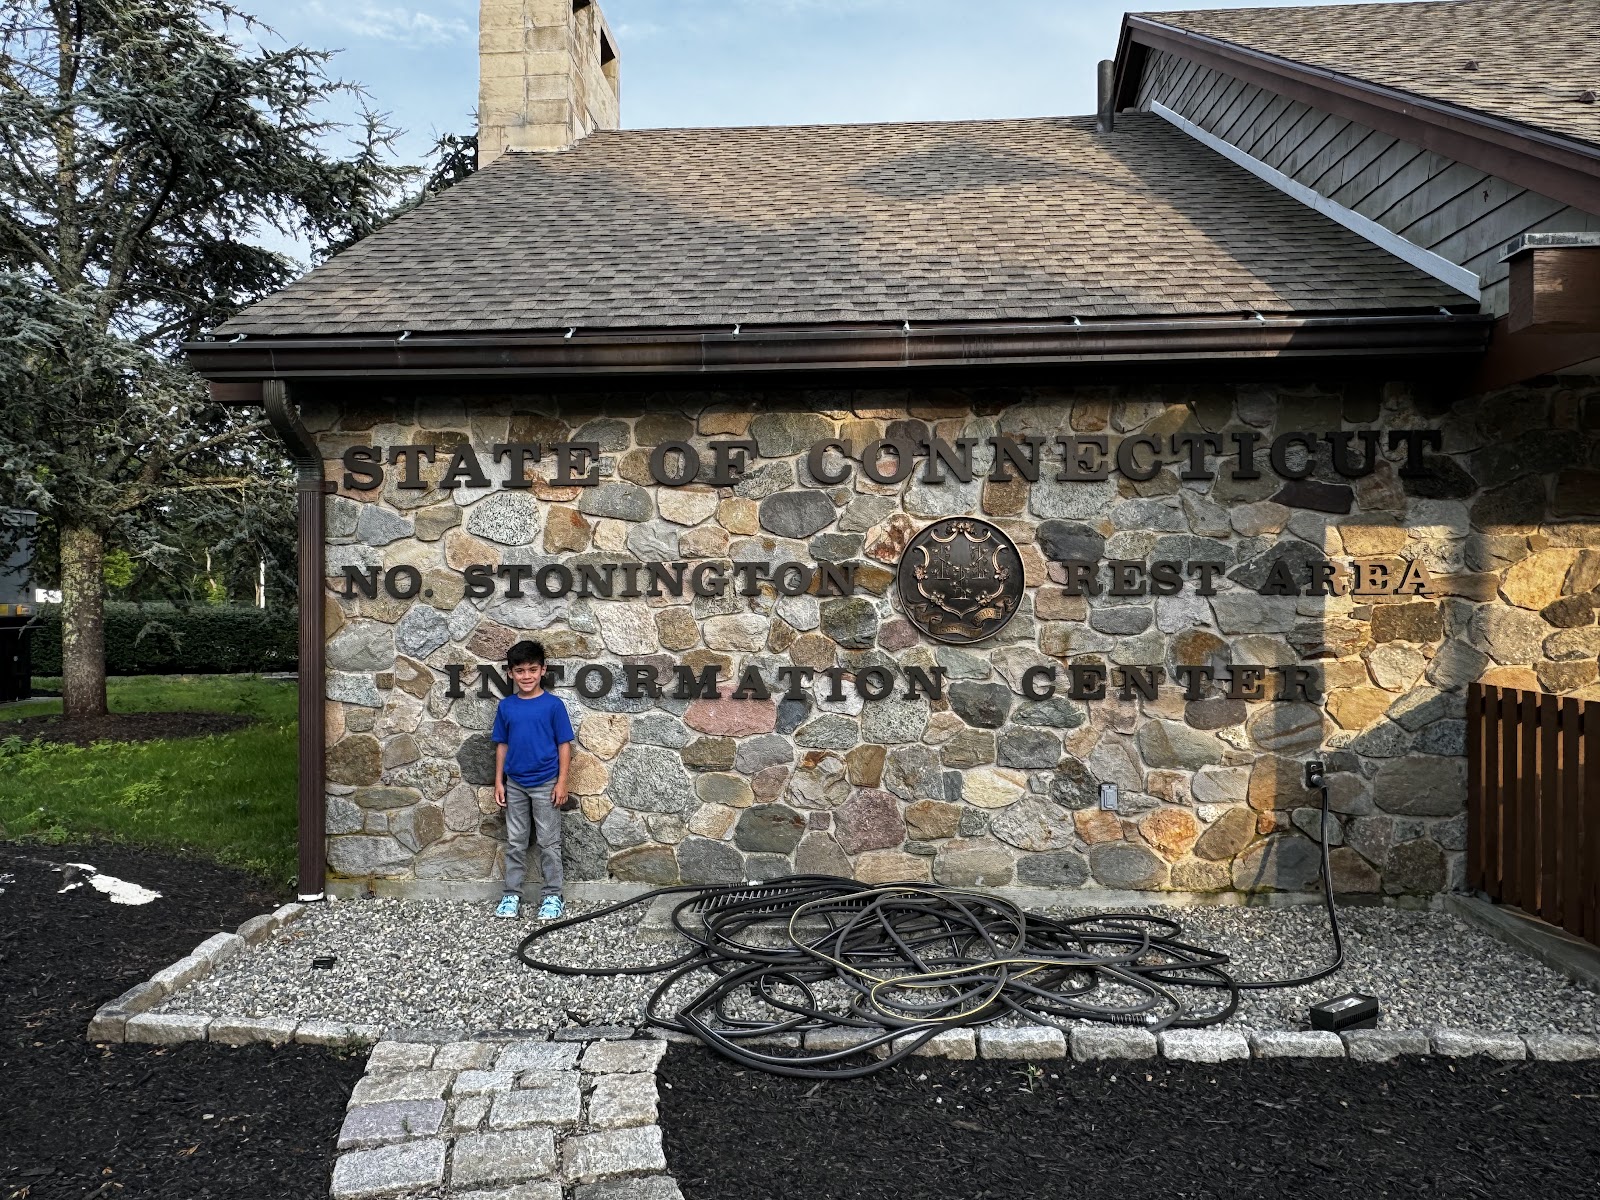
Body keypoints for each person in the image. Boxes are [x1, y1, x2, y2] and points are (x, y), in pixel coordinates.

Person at [491, 639, 574, 920]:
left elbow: (564, 745)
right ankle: (511, 895)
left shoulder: (553, 706)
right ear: (510, 673)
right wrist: (499, 781)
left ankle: (552, 895)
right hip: (514, 784)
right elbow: (501, 744)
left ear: (542, 671)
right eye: (520, 671)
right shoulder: (507, 707)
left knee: (549, 843)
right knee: (515, 842)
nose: (526, 676)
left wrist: (562, 782)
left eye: (532, 669)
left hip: (547, 784)